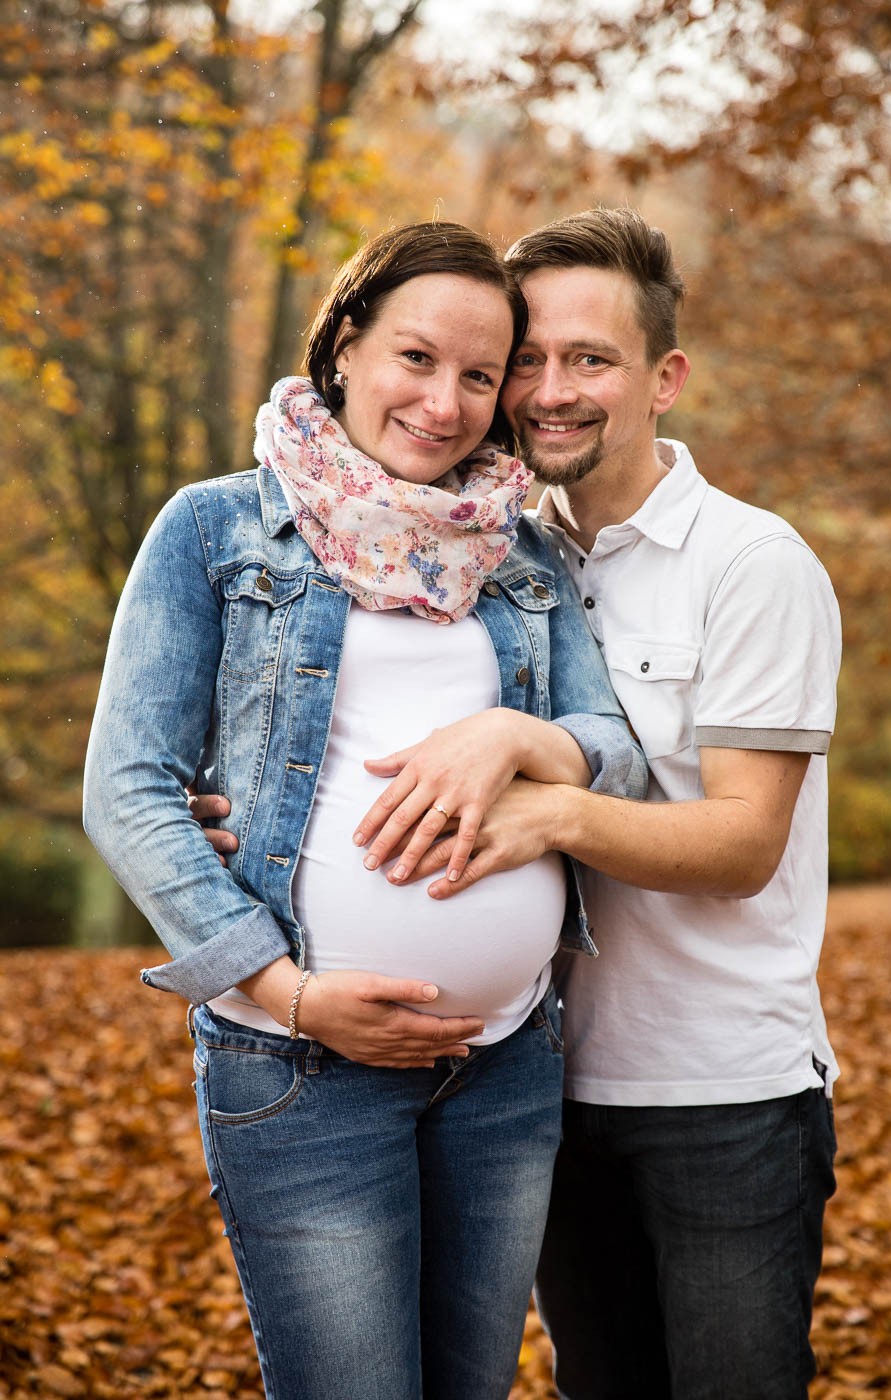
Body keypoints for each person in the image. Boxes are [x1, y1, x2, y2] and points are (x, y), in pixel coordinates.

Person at [83, 221, 647, 1400]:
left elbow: (618, 757)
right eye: (416, 357)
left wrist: (517, 737)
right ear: (345, 344)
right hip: (302, 1066)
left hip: (505, 1069)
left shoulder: (520, 558)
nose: (445, 403)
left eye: (480, 377)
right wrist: (290, 994)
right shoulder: (217, 527)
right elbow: (128, 788)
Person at [290, 208, 839, 1400]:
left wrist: (545, 803)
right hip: (529, 1083)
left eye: (590, 359)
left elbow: (746, 841)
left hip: (720, 1093)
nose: (549, 390)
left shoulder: (752, 564)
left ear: (664, 377)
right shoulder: (485, 550)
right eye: (525, 359)